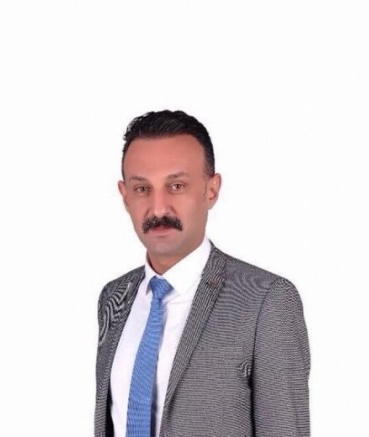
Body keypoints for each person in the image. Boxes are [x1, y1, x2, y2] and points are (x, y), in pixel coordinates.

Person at [94, 110, 311, 437]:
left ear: (211, 190)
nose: (158, 208)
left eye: (176, 186)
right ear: (125, 196)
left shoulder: (266, 301)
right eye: (142, 189)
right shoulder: (114, 297)